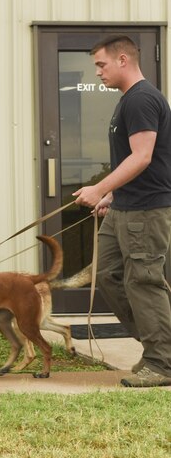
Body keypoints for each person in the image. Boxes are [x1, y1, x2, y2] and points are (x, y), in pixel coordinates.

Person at [74, 35, 171, 387]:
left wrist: (100, 186)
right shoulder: (128, 101)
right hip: (124, 208)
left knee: (143, 282)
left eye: (101, 64)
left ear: (123, 59)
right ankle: (159, 348)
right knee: (109, 276)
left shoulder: (142, 99)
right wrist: (112, 194)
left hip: (146, 212)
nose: (98, 72)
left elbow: (143, 156)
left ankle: (163, 363)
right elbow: (143, 161)